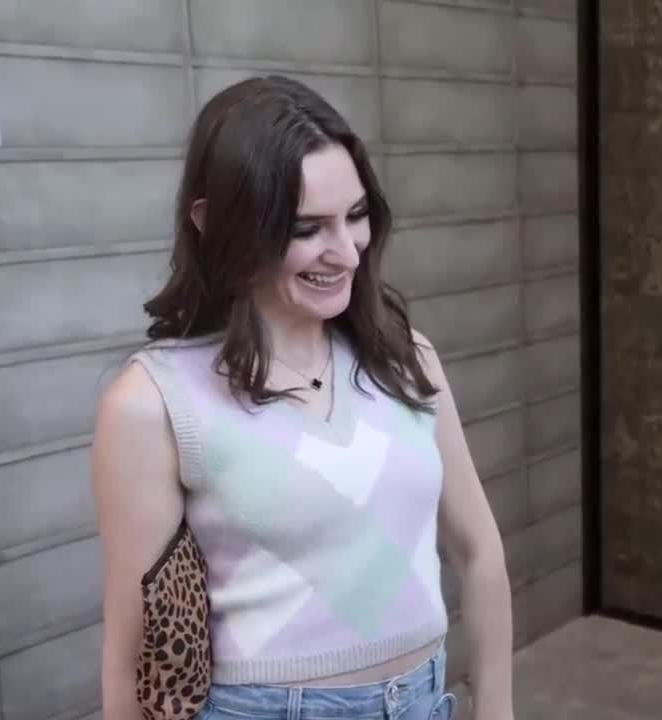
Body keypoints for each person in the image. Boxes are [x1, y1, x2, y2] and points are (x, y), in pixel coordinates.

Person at [92, 75, 513, 720]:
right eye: (307, 228)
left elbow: (478, 550)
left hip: (423, 701)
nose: (346, 253)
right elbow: (133, 649)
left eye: (356, 216)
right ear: (214, 224)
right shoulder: (154, 401)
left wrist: (497, 708)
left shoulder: (405, 358)